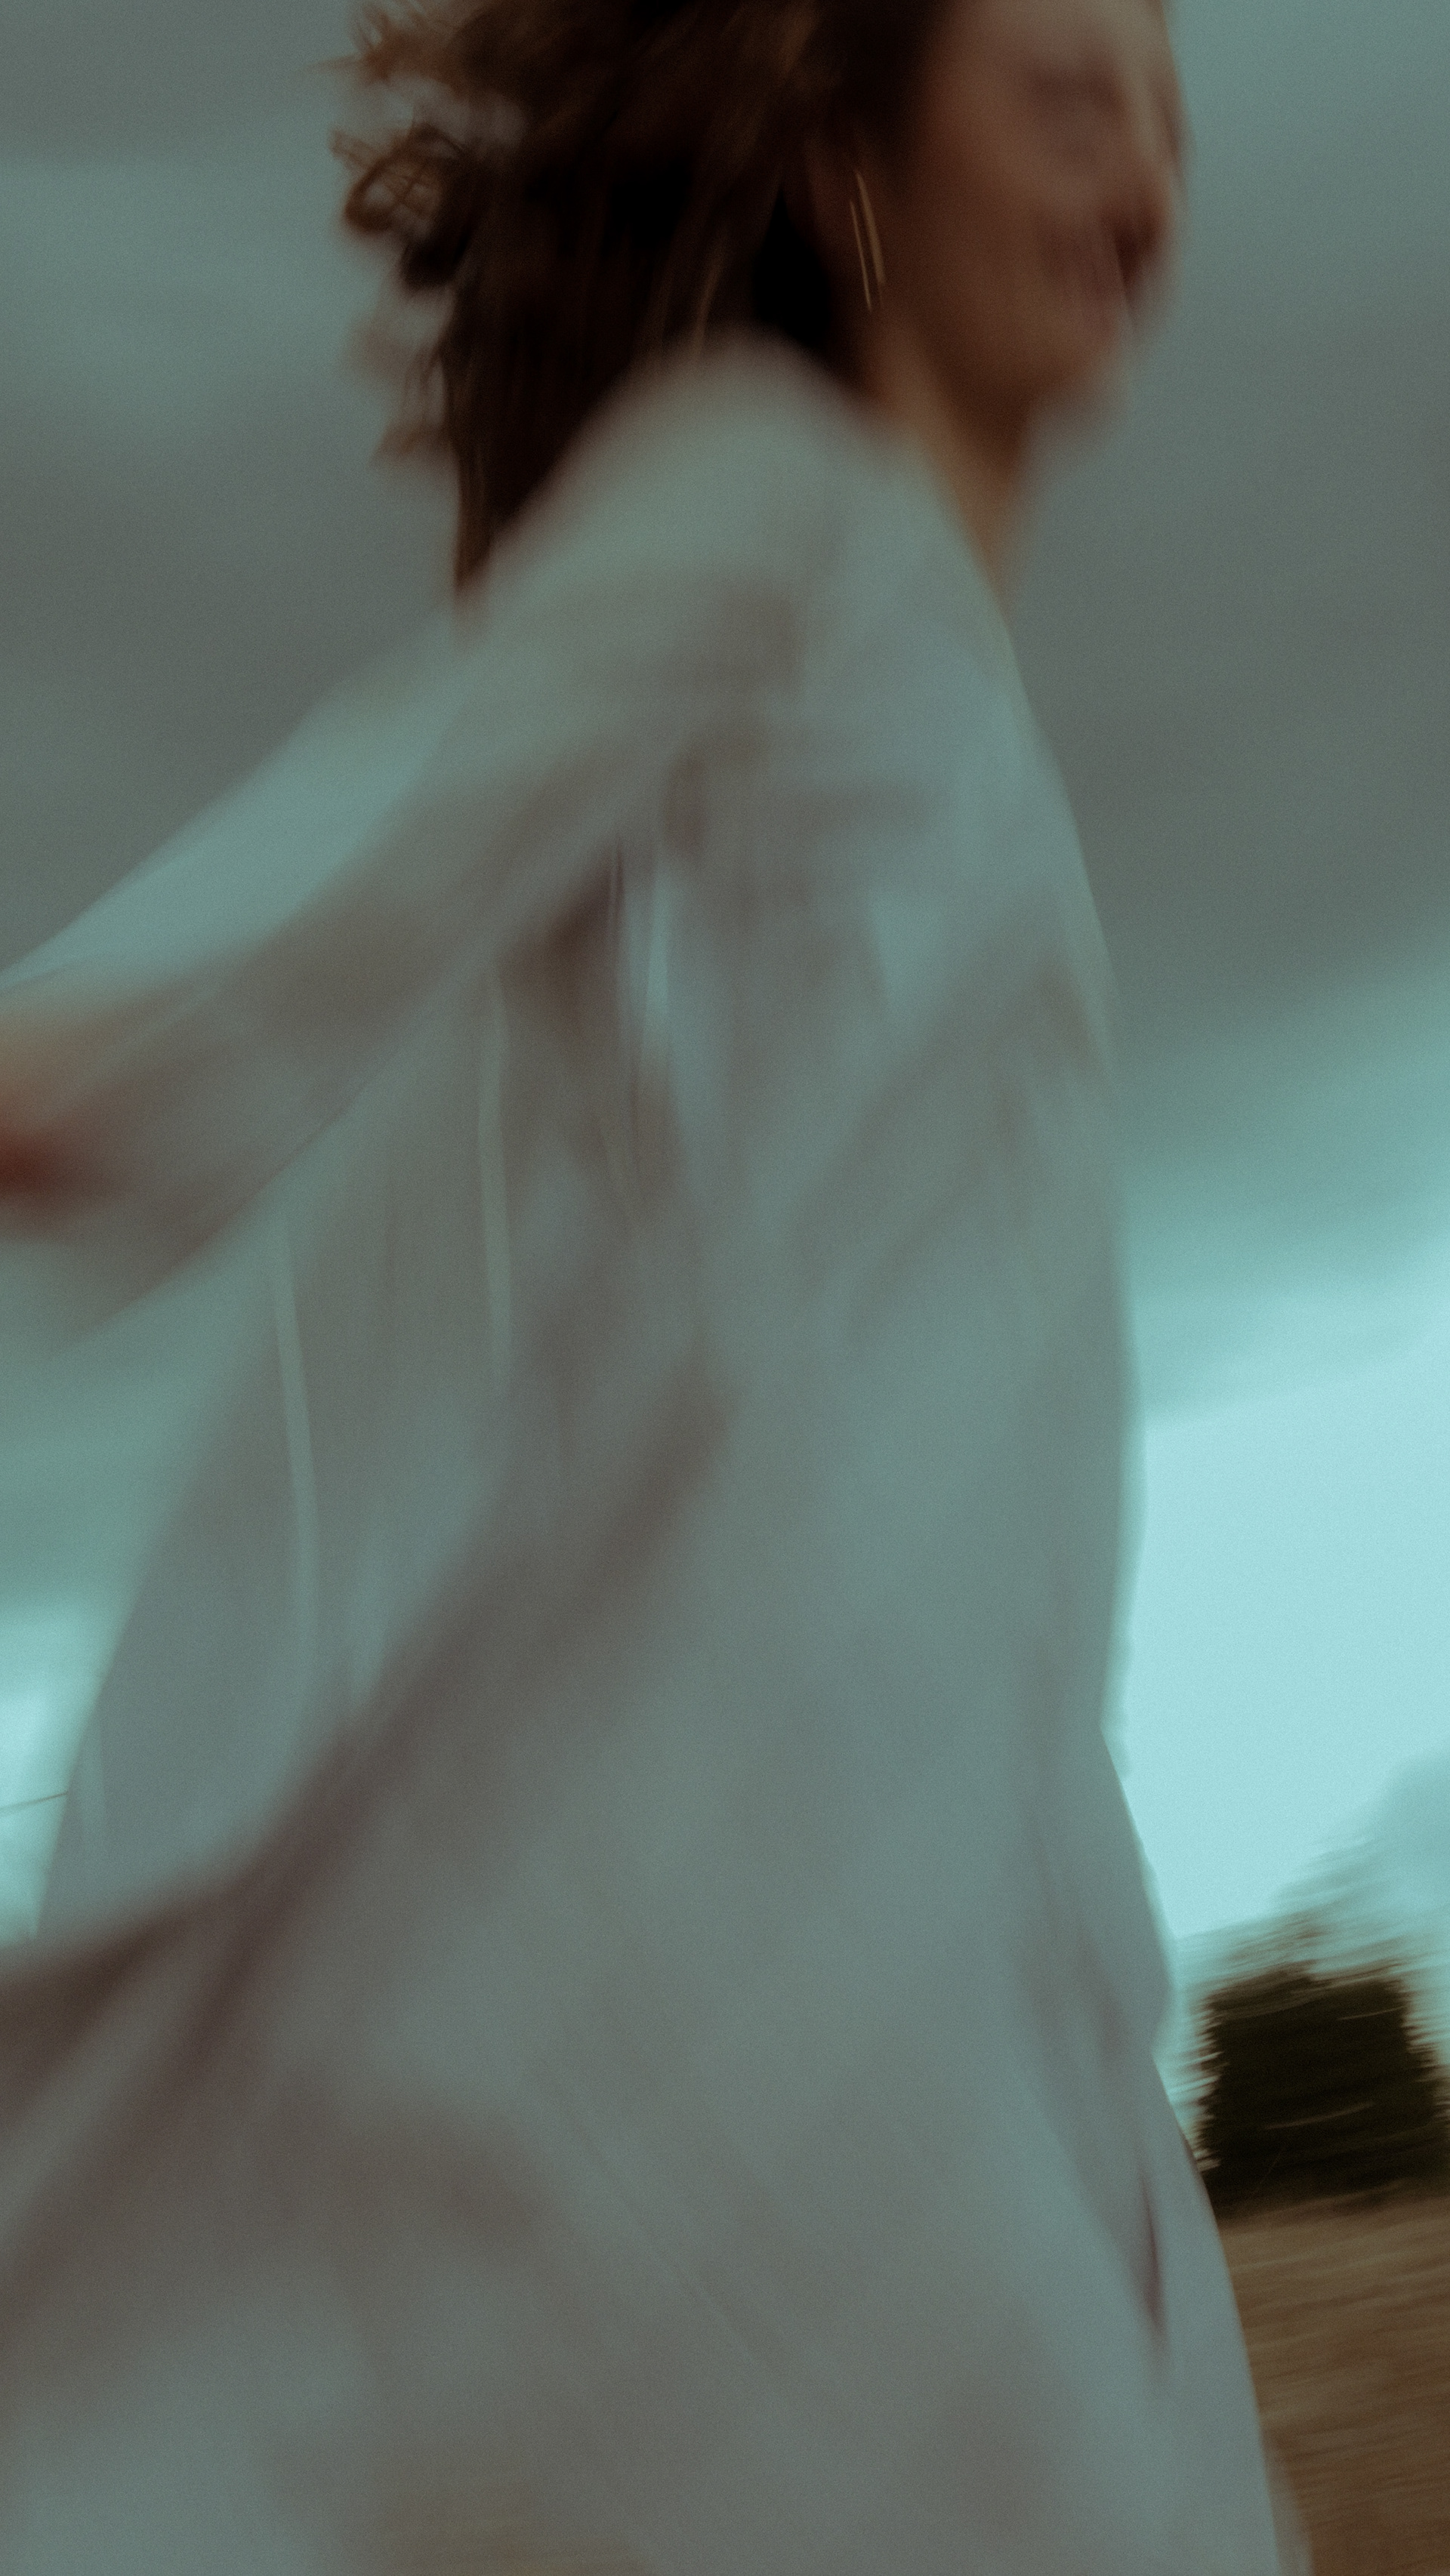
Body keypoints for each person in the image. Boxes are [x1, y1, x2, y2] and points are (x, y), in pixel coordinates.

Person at [0, 0, 1308, 2568]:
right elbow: (310, 913)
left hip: (913, 1948)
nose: (1144, 176)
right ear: (847, 170)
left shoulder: (936, 657)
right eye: (1067, 97)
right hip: (703, 1974)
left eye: (1170, 112)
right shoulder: (770, 507)